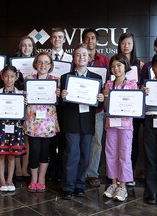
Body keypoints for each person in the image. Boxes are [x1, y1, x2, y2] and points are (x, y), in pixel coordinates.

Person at [60, 43, 104, 200]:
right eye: (78, 55)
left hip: (87, 121)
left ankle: (79, 185)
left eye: (84, 55)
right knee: (72, 153)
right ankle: (68, 186)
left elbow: (98, 103)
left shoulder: (97, 79)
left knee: (85, 154)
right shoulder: (66, 78)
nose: (81, 57)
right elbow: (62, 103)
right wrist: (62, 96)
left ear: (89, 58)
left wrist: (101, 99)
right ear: (73, 58)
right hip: (71, 120)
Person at [102, 53, 137, 201]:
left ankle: (123, 186)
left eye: (119, 65)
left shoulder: (132, 84)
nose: (116, 69)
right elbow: (105, 107)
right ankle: (113, 184)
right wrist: (105, 98)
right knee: (110, 153)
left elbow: (135, 105)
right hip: (111, 124)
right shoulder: (108, 84)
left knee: (124, 155)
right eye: (113, 66)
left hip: (126, 125)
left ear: (125, 66)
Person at [24, 51, 60, 193]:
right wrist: (24, 99)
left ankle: (42, 179)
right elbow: (23, 98)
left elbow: (61, 101)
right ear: (35, 63)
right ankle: (33, 179)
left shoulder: (56, 80)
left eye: (46, 62)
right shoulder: (29, 79)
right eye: (40, 62)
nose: (43, 65)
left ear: (50, 65)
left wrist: (59, 95)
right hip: (33, 122)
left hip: (48, 122)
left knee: (45, 151)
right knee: (34, 151)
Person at [0, 65, 26, 192]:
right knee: (1, 155)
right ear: (2, 77)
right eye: (6, 76)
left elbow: (23, 113)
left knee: (11, 155)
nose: (9, 79)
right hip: (1, 127)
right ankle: (2, 180)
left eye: (12, 76)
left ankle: (9, 180)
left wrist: (24, 104)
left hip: (15, 128)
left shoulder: (21, 94)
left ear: (16, 78)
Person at [82, 28, 110, 187]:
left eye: (93, 38)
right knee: (80, 141)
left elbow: (108, 83)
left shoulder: (105, 61)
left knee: (96, 142)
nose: (90, 41)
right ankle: (81, 171)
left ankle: (92, 173)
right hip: (81, 108)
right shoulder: (78, 58)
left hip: (98, 109)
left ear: (97, 41)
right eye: (87, 38)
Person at [118, 32, 144, 187]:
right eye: (123, 43)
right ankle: (117, 174)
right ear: (119, 44)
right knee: (118, 144)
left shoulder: (140, 65)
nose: (126, 46)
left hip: (133, 110)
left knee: (131, 143)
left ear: (133, 45)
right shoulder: (115, 62)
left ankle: (130, 174)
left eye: (129, 43)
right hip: (117, 111)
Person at [47, 28, 73, 182]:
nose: (57, 39)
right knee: (51, 139)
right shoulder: (45, 58)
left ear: (64, 40)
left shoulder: (70, 58)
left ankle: (61, 170)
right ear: (51, 39)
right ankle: (51, 170)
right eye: (55, 37)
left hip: (64, 104)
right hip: (49, 103)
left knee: (63, 139)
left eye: (60, 37)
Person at [14, 36, 37, 181]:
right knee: (17, 137)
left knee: (27, 139)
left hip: (31, 106)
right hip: (16, 103)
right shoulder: (14, 64)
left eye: (29, 45)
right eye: (24, 45)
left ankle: (25, 168)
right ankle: (17, 169)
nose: (26, 48)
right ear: (20, 48)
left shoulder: (37, 65)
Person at [143, 54, 157, 205]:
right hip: (150, 120)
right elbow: (139, 108)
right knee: (151, 157)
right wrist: (142, 95)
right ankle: (152, 192)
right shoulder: (147, 87)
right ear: (153, 68)